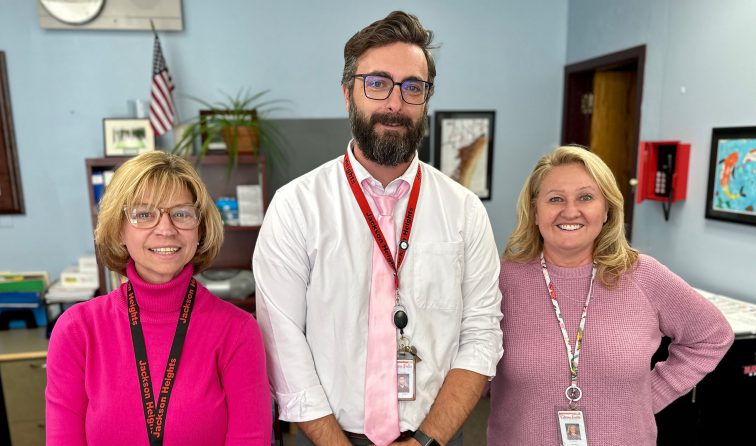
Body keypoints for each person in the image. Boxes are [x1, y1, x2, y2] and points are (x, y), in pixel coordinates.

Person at [253, 10, 503, 446]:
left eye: (412, 88)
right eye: (377, 83)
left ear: (426, 98)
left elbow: (481, 334)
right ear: (348, 95)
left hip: (437, 436)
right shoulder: (296, 206)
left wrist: (426, 440)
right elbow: (282, 339)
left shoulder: (463, 210)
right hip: (328, 436)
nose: (394, 103)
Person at [487, 146, 734, 445]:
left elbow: (712, 335)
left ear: (606, 210)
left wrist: (648, 397)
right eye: (555, 199)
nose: (570, 210)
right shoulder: (502, 280)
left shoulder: (643, 275)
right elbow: (470, 361)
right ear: (535, 210)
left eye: (586, 197)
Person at [46, 151, 271, 445]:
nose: (165, 229)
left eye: (181, 213)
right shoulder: (77, 330)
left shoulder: (238, 331)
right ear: (119, 231)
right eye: (143, 214)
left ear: (200, 229)